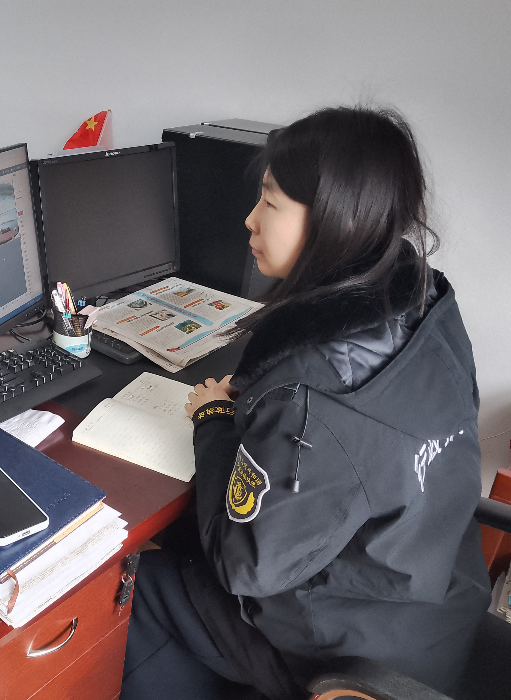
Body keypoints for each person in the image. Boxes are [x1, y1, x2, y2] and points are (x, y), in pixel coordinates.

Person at [120, 106, 491, 700]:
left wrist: (214, 420)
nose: (249, 220)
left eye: (269, 201)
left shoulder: (314, 393)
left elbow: (245, 565)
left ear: (339, 220)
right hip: (436, 600)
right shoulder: (425, 302)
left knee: (144, 581)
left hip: (348, 653)